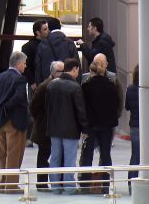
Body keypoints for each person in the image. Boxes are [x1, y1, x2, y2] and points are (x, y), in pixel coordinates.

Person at [45, 59, 88, 194]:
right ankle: (69, 186)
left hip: (54, 127)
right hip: (70, 129)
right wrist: (84, 128)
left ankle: (55, 186)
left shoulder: (52, 85)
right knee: (69, 158)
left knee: (55, 157)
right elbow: (80, 111)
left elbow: (47, 107)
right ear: (74, 69)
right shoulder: (75, 87)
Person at [80, 59, 121, 194]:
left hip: (91, 125)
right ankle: (106, 184)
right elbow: (116, 103)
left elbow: (83, 107)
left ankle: (85, 184)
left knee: (87, 154)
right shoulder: (111, 86)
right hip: (106, 126)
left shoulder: (86, 87)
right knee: (105, 155)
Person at [0, 51, 30, 194]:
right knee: (14, 154)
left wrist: (0, 112)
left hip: (0, 122)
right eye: (24, 63)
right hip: (15, 122)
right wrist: (7, 108)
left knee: (3, 154)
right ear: (18, 64)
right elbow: (20, 97)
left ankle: (3, 183)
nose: (25, 66)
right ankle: (11, 185)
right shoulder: (20, 79)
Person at [28, 60, 63, 191]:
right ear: (54, 73)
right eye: (61, 71)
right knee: (44, 155)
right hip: (44, 127)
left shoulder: (59, 84)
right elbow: (33, 106)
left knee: (54, 155)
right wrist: (41, 118)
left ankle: (55, 182)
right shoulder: (45, 86)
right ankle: (42, 183)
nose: (64, 73)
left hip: (54, 127)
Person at [21, 19, 49, 89]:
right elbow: (26, 66)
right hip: (36, 83)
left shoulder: (50, 44)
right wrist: (32, 82)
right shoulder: (27, 47)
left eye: (47, 28)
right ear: (38, 32)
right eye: (45, 29)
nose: (48, 31)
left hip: (49, 82)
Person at [126, 65, 140, 191]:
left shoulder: (130, 89)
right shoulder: (148, 89)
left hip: (134, 124)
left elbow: (127, 106)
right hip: (147, 125)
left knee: (135, 154)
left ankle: (131, 182)